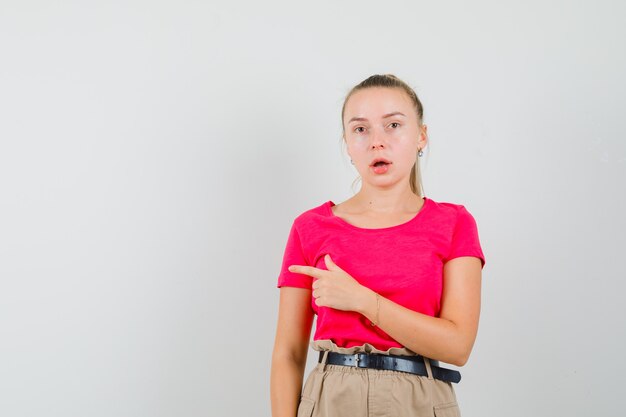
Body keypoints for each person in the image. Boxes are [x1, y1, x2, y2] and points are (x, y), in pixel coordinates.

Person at [270, 74, 486, 417]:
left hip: (419, 399)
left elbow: (458, 346)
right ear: (347, 143)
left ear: (421, 137)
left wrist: (362, 300)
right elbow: (289, 354)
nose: (376, 142)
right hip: (331, 399)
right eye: (360, 129)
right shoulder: (309, 227)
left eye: (393, 125)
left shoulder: (454, 223)